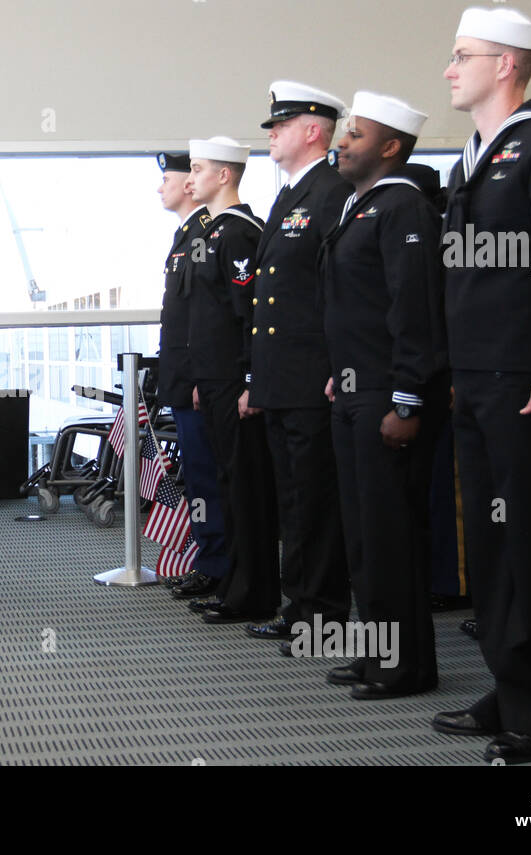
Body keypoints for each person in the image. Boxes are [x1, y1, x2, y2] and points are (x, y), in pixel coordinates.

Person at [432, 5, 531, 765]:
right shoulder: (475, 154)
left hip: (525, 382)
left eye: (464, 55)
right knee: (489, 549)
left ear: (508, 65)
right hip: (479, 377)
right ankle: (508, 682)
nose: (450, 68)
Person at [320, 91, 448, 699]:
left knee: (390, 533)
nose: (341, 143)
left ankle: (406, 666)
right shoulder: (360, 207)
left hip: (386, 396)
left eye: (357, 135)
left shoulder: (404, 207)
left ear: (391, 147)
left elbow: (413, 310)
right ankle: (376, 651)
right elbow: (357, 308)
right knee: (363, 534)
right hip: (354, 388)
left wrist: (407, 400)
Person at [243, 82, 352, 650]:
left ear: (314, 130)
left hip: (313, 377)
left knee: (315, 502)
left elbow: (336, 290)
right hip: (282, 379)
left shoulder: (333, 192)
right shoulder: (289, 196)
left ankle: (325, 615)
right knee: (293, 500)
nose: (272, 135)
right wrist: (258, 379)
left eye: (280, 126)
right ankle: (299, 606)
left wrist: (338, 365)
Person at [182, 136, 279, 625]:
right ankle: (235, 585)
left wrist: (248, 381)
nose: (190, 177)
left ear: (225, 175)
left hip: (236, 383)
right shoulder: (213, 231)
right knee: (228, 485)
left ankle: (253, 593)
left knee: (246, 491)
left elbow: (249, 318)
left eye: (198, 169)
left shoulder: (238, 233)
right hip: (216, 382)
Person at [151, 151, 228, 599]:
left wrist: (200, 377)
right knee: (198, 476)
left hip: (202, 382)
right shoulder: (186, 236)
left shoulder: (206, 234)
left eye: (168, 178)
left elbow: (210, 317)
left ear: (188, 186)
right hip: (184, 380)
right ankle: (209, 560)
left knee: (208, 476)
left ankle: (219, 565)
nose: (160, 188)